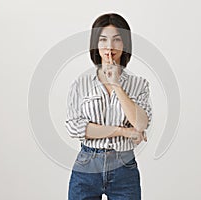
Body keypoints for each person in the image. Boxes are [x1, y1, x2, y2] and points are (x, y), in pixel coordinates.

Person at [65, 13, 152, 200]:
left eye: (117, 40)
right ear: (96, 44)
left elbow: (141, 124)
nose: (109, 47)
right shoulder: (81, 84)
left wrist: (116, 86)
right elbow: (75, 127)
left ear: (125, 44)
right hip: (87, 167)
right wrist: (124, 132)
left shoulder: (139, 84)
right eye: (103, 39)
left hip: (124, 168)